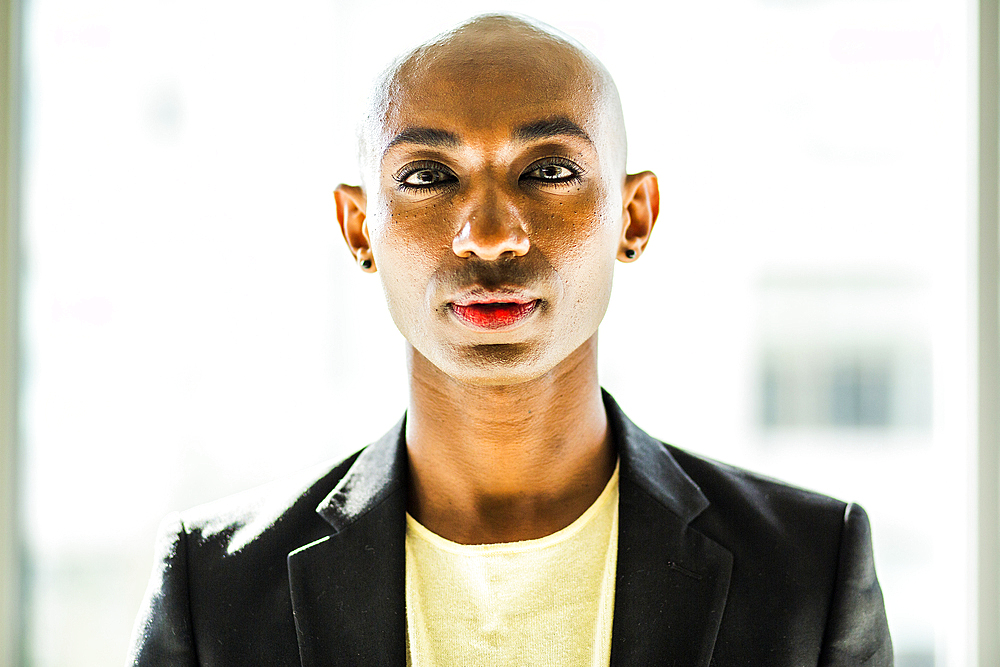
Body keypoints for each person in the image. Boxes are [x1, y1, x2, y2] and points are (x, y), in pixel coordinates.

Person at [129, 13, 892, 667]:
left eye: (549, 170)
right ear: (359, 228)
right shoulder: (216, 586)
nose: (489, 235)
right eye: (428, 177)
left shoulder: (806, 568)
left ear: (634, 217)